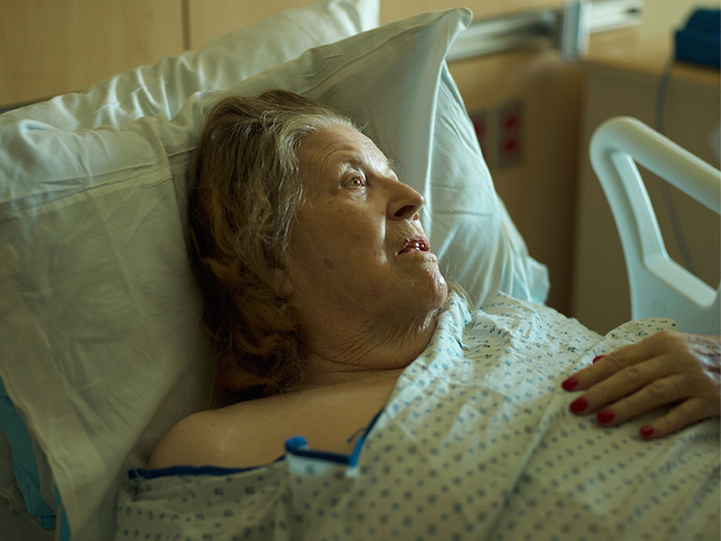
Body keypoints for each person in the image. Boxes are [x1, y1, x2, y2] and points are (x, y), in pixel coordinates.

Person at [122, 89, 719, 540]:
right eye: (354, 181)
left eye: (394, 176)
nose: (413, 199)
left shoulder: (509, 323)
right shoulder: (220, 448)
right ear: (267, 252)